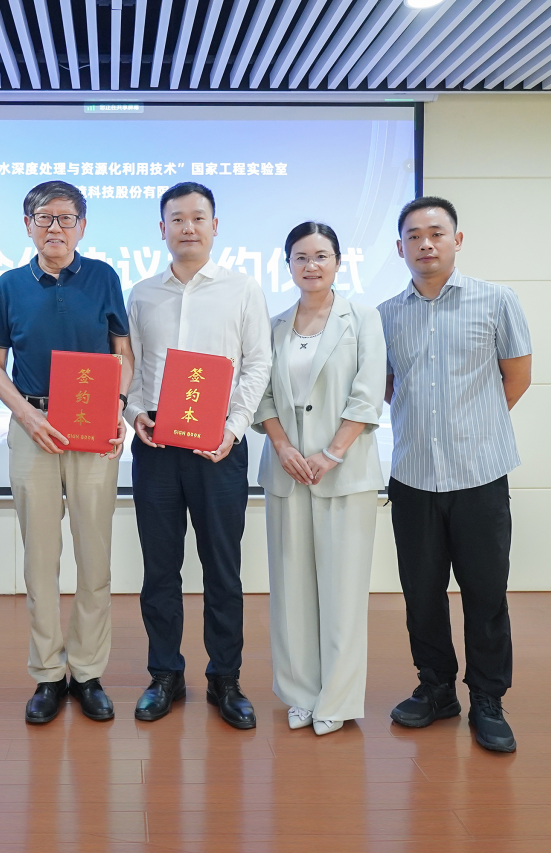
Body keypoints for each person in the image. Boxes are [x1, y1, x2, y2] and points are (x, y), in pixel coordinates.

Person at [379, 196, 532, 754]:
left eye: (436, 233)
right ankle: (437, 688)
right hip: (414, 476)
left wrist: (473, 429)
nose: (425, 243)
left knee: (485, 593)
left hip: (480, 474)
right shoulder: (385, 315)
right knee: (421, 593)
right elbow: (386, 387)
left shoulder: (497, 300)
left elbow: (517, 377)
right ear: (399, 247)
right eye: (413, 236)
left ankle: (488, 698)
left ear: (457, 240)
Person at [0, 180, 133, 725]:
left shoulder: (104, 278)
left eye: (67, 218)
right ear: (28, 226)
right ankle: (47, 673)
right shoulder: (8, 285)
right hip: (33, 427)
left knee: (95, 556)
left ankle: (87, 672)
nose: (55, 228)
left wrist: (117, 408)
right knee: (40, 560)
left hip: (93, 429)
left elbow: (123, 352)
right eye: (44, 218)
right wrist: (27, 416)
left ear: (82, 227)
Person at [125, 182, 272, 730]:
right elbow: (131, 364)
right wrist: (133, 412)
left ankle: (225, 678)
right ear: (161, 228)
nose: (188, 227)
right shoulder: (142, 293)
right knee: (160, 568)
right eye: (177, 219)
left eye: (198, 217)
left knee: (222, 568)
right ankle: (164, 674)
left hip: (220, 449)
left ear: (215, 226)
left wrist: (233, 429)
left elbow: (258, 363)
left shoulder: (242, 289)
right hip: (157, 447)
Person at [252, 222, 386, 736]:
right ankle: (300, 693)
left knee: (343, 592)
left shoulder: (363, 318)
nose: (311, 265)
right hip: (287, 473)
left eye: (322, 256)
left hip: (344, 473)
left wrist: (331, 453)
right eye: (301, 257)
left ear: (338, 262)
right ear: (288, 264)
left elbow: (368, 393)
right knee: (291, 591)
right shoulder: (275, 325)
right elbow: (261, 395)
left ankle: (338, 698)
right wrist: (283, 447)